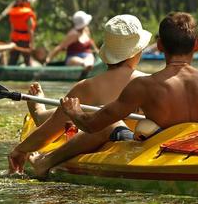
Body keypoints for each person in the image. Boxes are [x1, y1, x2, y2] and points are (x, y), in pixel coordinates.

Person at [28, 12, 198, 178]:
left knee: (117, 125)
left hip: (161, 151)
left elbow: (95, 124)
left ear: (159, 46)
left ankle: (45, 158)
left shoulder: (144, 87)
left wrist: (74, 113)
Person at [8, 14, 152, 175]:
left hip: (115, 136)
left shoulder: (86, 86)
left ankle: (40, 114)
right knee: (88, 113)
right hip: (126, 140)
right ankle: (40, 114)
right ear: (136, 52)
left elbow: (49, 131)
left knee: (78, 114)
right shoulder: (149, 82)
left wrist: (19, 150)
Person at [8, 0, 37, 66]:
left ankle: (8, 75)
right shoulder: (28, 13)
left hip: (15, 39)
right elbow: (30, 30)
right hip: (25, 40)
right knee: (28, 60)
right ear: (25, 2)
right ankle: (30, 76)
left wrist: (10, 40)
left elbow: (12, 28)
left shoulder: (13, 12)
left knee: (12, 60)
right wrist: (32, 43)